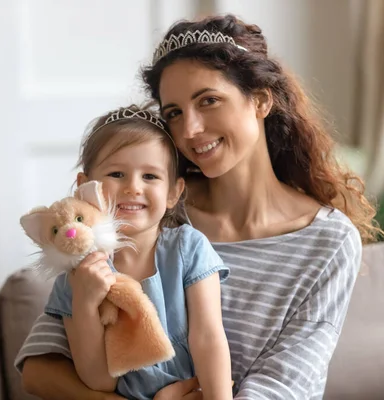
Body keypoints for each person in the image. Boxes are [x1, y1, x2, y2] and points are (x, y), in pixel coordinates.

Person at [15, 14, 384, 400]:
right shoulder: (145, 212)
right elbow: (42, 369)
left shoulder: (327, 241)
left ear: (260, 100)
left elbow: (285, 385)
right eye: (173, 112)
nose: (189, 129)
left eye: (208, 101)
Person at [27, 104, 233, 400]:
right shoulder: (75, 278)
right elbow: (99, 381)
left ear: (174, 192)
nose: (133, 187)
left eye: (150, 176)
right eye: (117, 173)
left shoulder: (188, 248)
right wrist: (85, 303)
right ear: (85, 188)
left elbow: (208, 338)